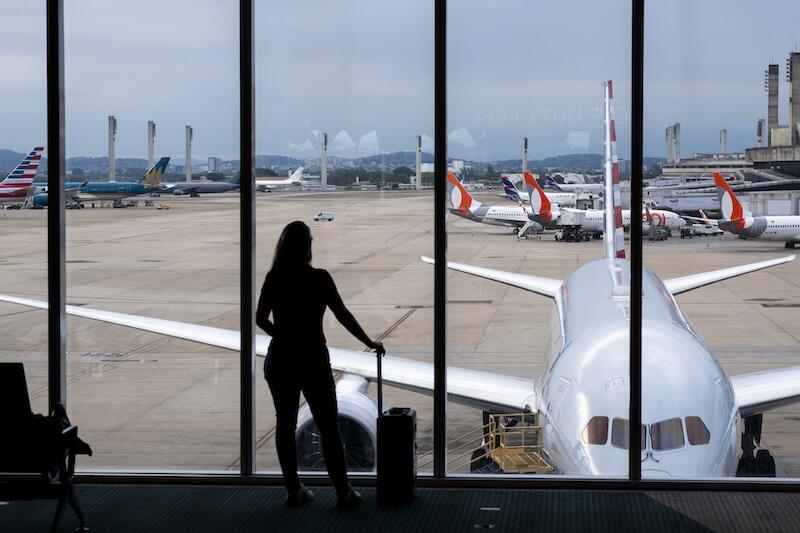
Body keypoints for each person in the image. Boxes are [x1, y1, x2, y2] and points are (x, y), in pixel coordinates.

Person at [256, 221, 385, 509]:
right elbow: (343, 314)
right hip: (312, 358)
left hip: (281, 359)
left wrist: (284, 335)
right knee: (328, 427)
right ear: (307, 246)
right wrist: (369, 341)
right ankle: (342, 490)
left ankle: (293, 489)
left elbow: (260, 319)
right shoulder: (319, 278)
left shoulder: (274, 276)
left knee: (285, 425)